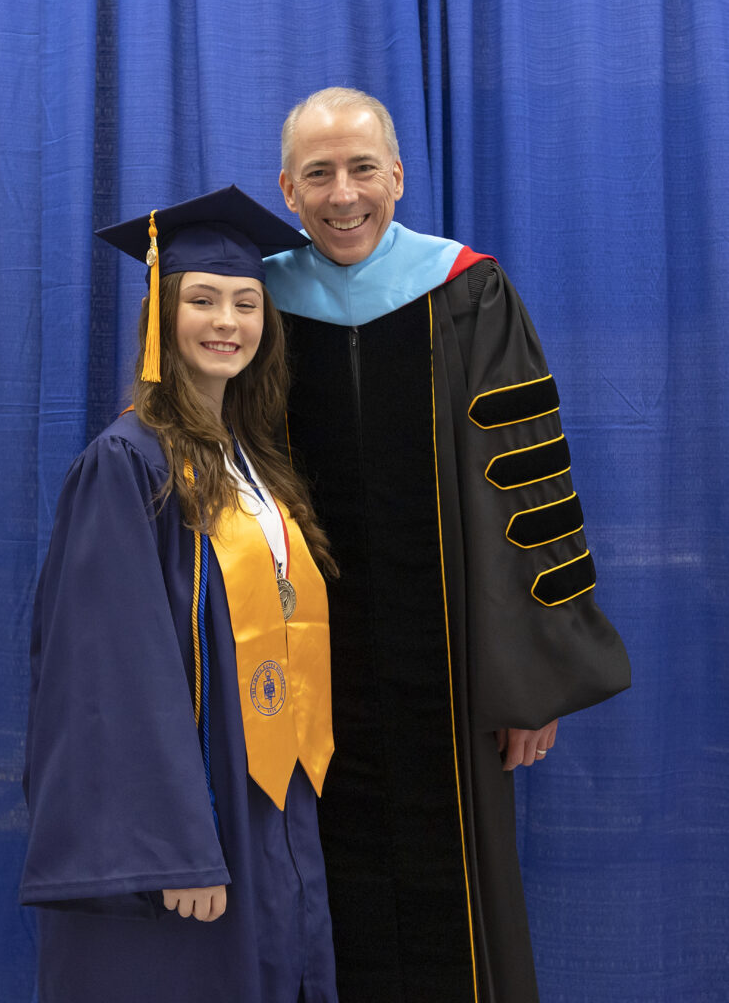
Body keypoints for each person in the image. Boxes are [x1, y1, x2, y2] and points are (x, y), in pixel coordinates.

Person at [264, 89, 631, 1003]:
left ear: (398, 175)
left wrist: (530, 679)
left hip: (455, 668)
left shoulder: (465, 290)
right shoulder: (254, 302)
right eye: (319, 174)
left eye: (361, 169)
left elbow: (529, 489)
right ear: (287, 190)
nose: (343, 194)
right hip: (303, 667)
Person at [20, 186, 339, 1003]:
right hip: (190, 824)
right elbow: (107, 674)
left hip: (266, 805)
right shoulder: (127, 465)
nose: (226, 321)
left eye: (245, 302)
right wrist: (173, 847)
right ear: (160, 314)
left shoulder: (255, 465)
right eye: (200, 299)